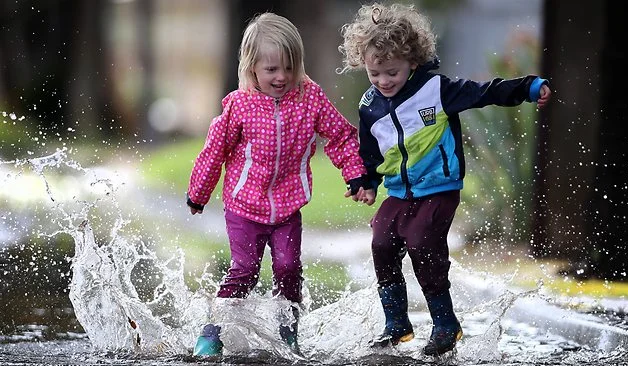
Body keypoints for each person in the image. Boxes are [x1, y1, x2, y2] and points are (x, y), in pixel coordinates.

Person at [338, 2, 551, 357]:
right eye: (375, 74)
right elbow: (371, 151)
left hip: (439, 188)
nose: (383, 81)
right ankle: (396, 322)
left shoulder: (436, 90)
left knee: (422, 243)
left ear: (413, 62)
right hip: (400, 191)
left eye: (392, 72)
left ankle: (445, 323)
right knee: (381, 243)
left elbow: (485, 92)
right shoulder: (370, 104)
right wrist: (367, 181)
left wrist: (528, 87)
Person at [186, 12, 368, 356]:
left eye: (289, 67)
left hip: (288, 206)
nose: (282, 77)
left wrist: (355, 175)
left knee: (288, 269)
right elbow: (214, 150)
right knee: (245, 270)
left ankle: (288, 333)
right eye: (271, 70)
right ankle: (213, 331)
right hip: (244, 207)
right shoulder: (239, 105)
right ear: (251, 67)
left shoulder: (310, 97)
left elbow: (341, 136)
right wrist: (198, 193)